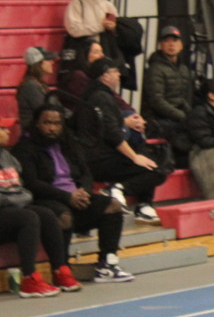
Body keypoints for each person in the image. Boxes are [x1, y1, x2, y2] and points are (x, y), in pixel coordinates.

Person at [12, 104, 132, 282]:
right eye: (47, 123)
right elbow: (32, 183)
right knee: (64, 216)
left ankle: (107, 262)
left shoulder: (69, 142)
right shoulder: (25, 148)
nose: (52, 128)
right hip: (47, 199)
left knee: (112, 205)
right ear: (37, 123)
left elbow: (85, 173)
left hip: (77, 197)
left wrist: (85, 192)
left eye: (57, 124)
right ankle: (62, 268)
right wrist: (67, 197)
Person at [0, 113, 81, 298]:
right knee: (28, 216)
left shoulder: (7, 156)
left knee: (46, 214)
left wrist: (16, 198)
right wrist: (14, 199)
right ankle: (29, 279)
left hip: (8, 212)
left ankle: (60, 270)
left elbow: (22, 189)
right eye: (2, 128)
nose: (8, 132)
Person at [73, 57, 165, 222]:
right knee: (155, 170)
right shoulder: (102, 97)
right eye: (115, 71)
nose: (119, 75)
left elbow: (102, 124)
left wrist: (125, 122)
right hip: (98, 159)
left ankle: (143, 203)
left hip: (94, 155)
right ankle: (119, 190)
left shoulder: (93, 94)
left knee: (146, 156)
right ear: (105, 75)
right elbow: (112, 134)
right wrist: (134, 157)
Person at [142, 26, 194, 158]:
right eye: (167, 41)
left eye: (175, 41)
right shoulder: (155, 69)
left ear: (181, 45)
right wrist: (181, 116)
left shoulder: (183, 69)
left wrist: (190, 115)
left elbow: (185, 98)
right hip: (158, 120)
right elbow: (156, 100)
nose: (171, 44)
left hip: (177, 118)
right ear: (161, 45)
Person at [16, 46, 58, 129]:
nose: (52, 62)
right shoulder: (30, 86)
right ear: (39, 63)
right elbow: (46, 111)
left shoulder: (39, 83)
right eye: (48, 59)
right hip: (35, 133)